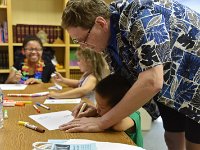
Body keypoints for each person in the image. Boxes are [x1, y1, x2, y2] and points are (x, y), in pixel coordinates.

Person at [60, 0, 200, 149]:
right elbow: (122, 83)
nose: (83, 46)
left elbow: (152, 81)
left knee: (194, 141)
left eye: (83, 40)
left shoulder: (141, 15)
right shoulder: (108, 39)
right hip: (171, 79)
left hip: (195, 77)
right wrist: (101, 108)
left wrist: (103, 121)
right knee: (173, 133)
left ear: (100, 23)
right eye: (77, 41)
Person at [60, 74, 143, 147]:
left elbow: (118, 126)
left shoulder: (133, 115)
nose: (98, 109)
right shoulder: (103, 110)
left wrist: (98, 119)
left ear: (119, 107)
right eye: (97, 104)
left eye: (102, 107)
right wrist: (94, 110)